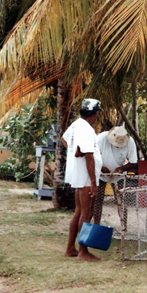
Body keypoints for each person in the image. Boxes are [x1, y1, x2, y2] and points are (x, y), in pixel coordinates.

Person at [61, 99, 103, 261]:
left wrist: (74, 153)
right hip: (86, 176)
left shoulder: (76, 124)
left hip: (78, 173)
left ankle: (70, 248)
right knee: (86, 213)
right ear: (95, 113)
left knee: (79, 212)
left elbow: (65, 139)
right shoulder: (86, 129)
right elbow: (90, 156)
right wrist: (93, 182)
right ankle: (82, 251)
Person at [92, 126, 138, 224]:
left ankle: (123, 226)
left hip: (119, 176)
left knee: (121, 201)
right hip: (100, 173)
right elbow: (92, 156)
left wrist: (121, 169)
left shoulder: (130, 142)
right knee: (98, 200)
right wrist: (101, 167)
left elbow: (133, 162)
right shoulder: (101, 138)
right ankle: (96, 225)